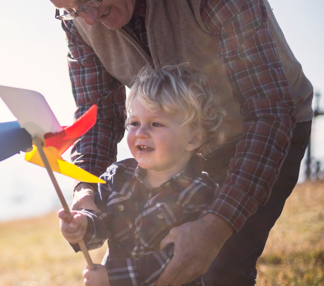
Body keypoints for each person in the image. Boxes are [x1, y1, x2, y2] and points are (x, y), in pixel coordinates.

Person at [50, 0, 313, 285]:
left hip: (258, 130)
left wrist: (214, 228)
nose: (87, 19)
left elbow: (268, 112)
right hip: (170, 151)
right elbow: (97, 115)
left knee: (221, 265)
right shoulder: (78, 18)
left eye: (90, 0)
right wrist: (85, 193)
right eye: (71, 10)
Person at [59, 64, 226, 286]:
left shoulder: (200, 191)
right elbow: (102, 222)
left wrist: (113, 278)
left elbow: (175, 259)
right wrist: (83, 226)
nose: (141, 133)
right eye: (134, 123)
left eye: (156, 124)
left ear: (193, 138)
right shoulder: (118, 176)